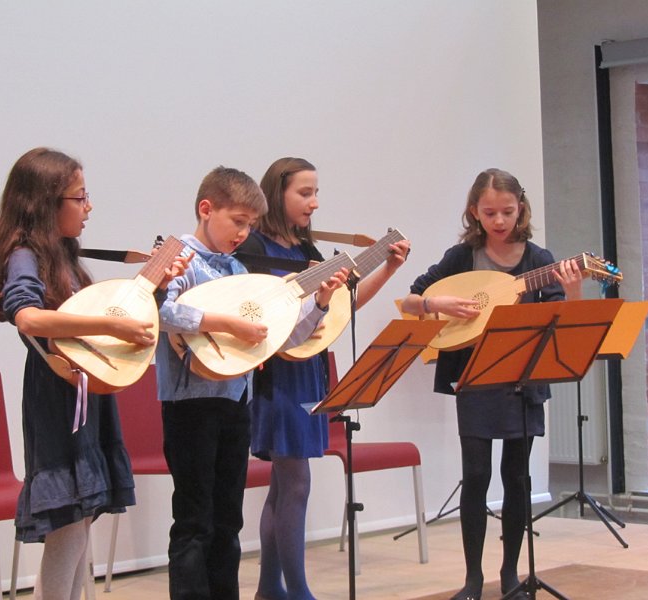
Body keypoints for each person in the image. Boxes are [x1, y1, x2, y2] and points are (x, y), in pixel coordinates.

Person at [0, 147, 185, 600]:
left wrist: (158, 287)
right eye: (80, 197)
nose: (88, 207)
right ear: (46, 202)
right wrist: (110, 324)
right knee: (69, 523)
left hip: (85, 393)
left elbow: (105, 322)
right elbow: (30, 318)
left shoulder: (64, 257)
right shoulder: (23, 256)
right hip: (58, 402)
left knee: (80, 520)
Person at [155, 165, 347, 600]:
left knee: (228, 520)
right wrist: (224, 320)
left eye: (250, 225)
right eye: (237, 222)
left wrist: (320, 301)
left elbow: (279, 337)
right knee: (194, 520)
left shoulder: (238, 268)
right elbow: (155, 312)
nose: (243, 233)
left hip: (234, 402)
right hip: (189, 405)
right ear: (206, 209)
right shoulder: (176, 257)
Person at [401, 168, 582, 600]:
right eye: (489, 213)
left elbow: (561, 321)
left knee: (516, 477)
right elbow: (410, 299)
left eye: (507, 211)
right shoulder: (461, 258)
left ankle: (510, 574)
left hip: (524, 380)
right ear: (474, 213)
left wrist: (573, 291)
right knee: (477, 474)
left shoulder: (539, 260)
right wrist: (434, 302)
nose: (499, 220)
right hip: (476, 378)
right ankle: (472, 579)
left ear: (520, 208)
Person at [237, 157, 411, 600]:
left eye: (316, 193)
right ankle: (297, 591)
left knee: (284, 485)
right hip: (276, 374)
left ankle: (268, 590)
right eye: (305, 193)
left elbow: (342, 309)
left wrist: (387, 268)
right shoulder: (252, 248)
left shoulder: (307, 251)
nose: (314, 203)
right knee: (295, 483)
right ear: (278, 193)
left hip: (309, 370)